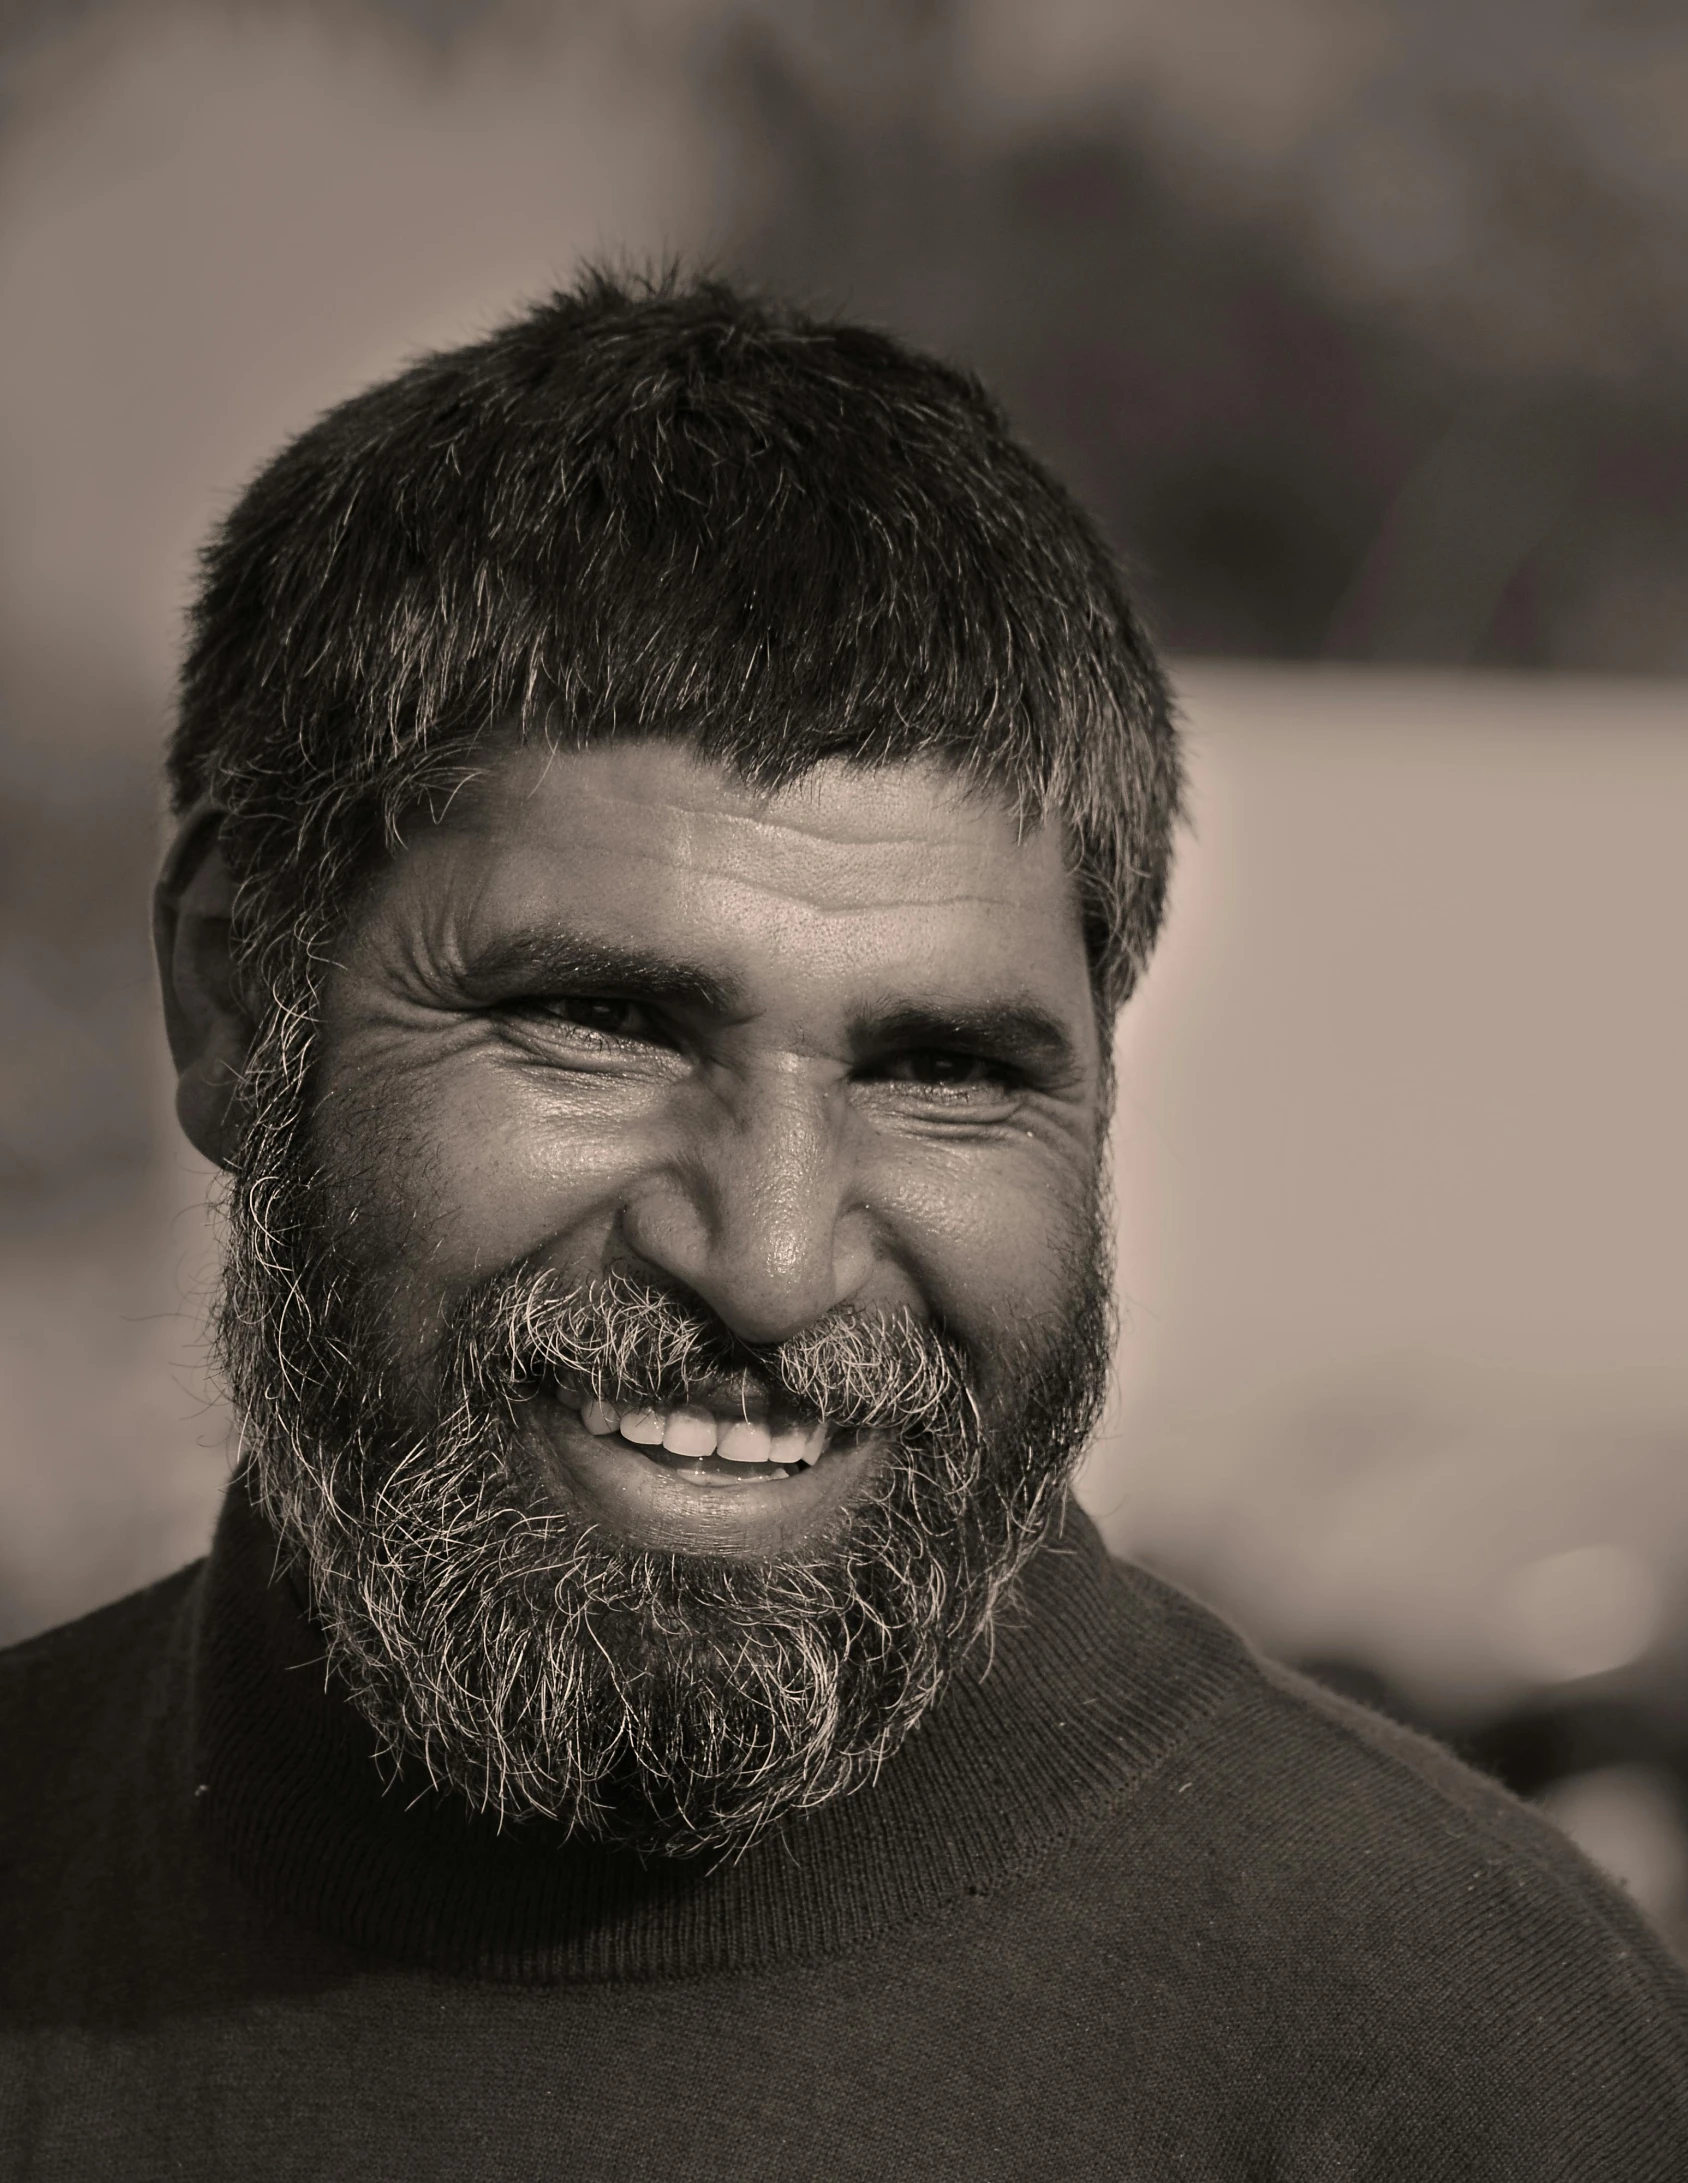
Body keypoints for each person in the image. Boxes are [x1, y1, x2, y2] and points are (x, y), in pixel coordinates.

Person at [1, 270, 1684, 2181]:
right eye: (606, 1019)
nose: (775, 1260)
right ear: (234, 998)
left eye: (942, 1067)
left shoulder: (1464, 2058)